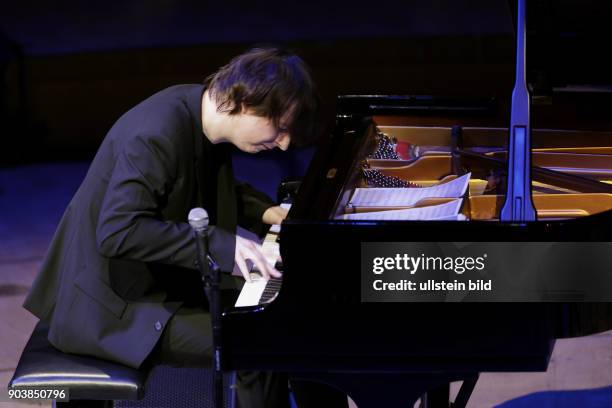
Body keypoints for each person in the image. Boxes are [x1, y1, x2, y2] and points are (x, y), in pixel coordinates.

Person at [22, 47, 332, 408]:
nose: (285, 142)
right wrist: (225, 247)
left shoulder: (197, 113)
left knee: (285, 320)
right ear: (245, 101)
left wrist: (266, 213)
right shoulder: (155, 135)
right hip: (111, 307)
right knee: (256, 345)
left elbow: (194, 186)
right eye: (279, 127)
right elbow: (119, 231)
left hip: (154, 283)